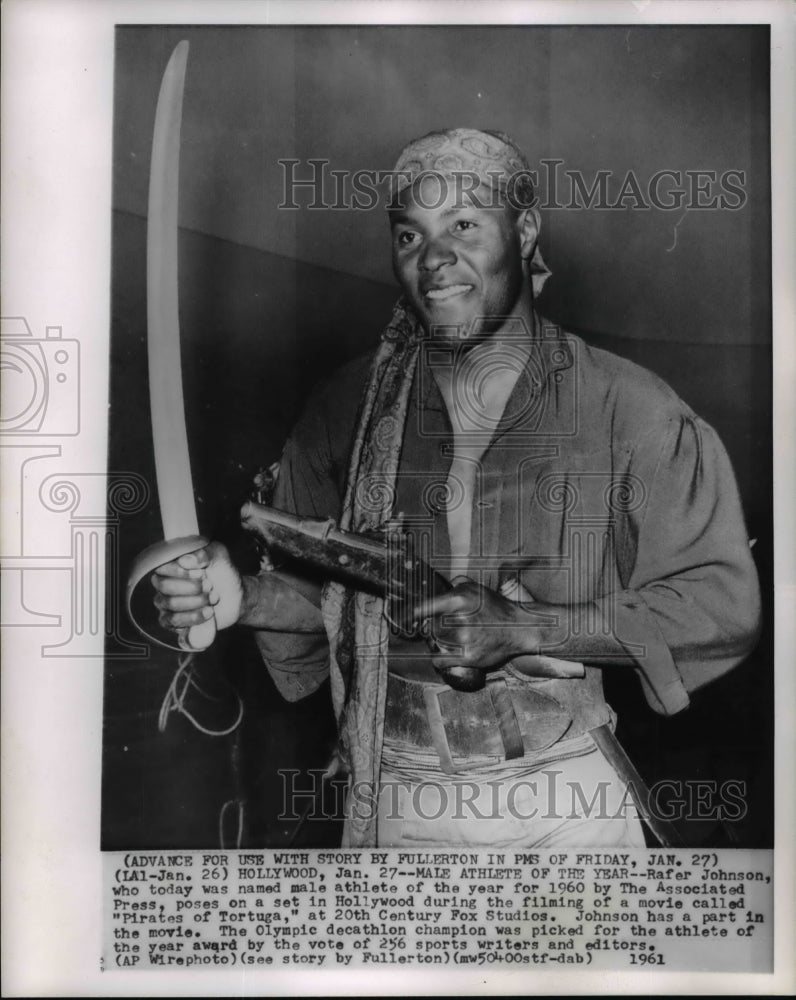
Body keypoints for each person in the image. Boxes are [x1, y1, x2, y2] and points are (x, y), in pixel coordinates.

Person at [151, 129, 761, 848]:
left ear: (524, 232)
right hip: (394, 794)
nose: (433, 258)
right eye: (410, 236)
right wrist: (245, 599)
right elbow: (335, 603)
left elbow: (721, 603)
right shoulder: (348, 408)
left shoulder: (629, 408)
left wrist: (530, 628)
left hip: (565, 804)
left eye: (464, 225)